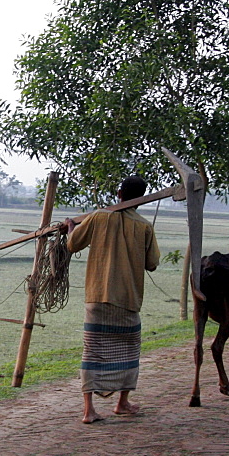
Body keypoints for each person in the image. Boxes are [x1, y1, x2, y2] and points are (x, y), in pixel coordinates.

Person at [63, 175, 160, 423]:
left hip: (97, 297)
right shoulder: (144, 226)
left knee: (92, 352)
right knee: (129, 350)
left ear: (119, 193)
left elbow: (73, 244)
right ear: (142, 199)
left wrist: (70, 228)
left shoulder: (99, 216)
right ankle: (122, 402)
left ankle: (88, 410)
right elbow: (152, 264)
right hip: (128, 299)